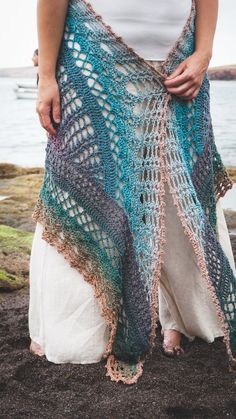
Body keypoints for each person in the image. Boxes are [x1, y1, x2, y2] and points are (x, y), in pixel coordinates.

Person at [28, 0, 236, 384]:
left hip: (180, 68)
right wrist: (46, 75)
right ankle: (72, 333)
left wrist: (204, 53)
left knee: (182, 197)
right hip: (91, 61)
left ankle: (183, 319)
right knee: (85, 189)